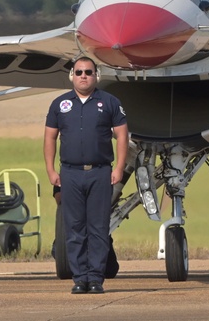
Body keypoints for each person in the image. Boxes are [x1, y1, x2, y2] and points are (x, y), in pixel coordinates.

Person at [44, 56, 128, 295]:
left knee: (98, 228)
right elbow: (50, 137)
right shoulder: (59, 104)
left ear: (96, 76)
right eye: (79, 72)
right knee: (74, 228)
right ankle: (79, 278)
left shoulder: (110, 102)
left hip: (100, 173)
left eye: (88, 72)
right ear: (72, 75)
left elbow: (122, 135)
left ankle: (96, 279)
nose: (83, 76)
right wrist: (51, 170)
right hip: (70, 173)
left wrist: (119, 168)